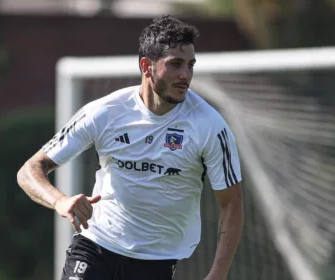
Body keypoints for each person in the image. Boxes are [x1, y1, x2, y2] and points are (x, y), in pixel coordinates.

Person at [17, 15, 244, 280]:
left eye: (190, 65)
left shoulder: (210, 126)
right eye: (175, 64)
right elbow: (30, 169)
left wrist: (219, 272)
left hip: (155, 261)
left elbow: (232, 204)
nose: (186, 75)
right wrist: (61, 201)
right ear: (147, 66)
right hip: (96, 245)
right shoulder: (104, 113)